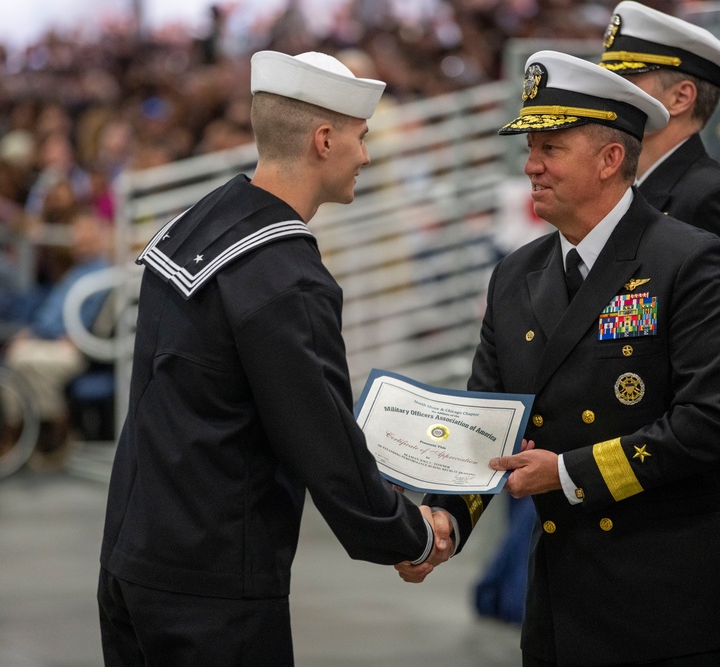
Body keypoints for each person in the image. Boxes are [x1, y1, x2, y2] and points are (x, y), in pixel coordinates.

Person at [401, 50, 720, 666]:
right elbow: (488, 420)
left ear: (610, 158)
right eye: (530, 149)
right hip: (563, 607)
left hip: (672, 609)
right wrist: (444, 523)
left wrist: (569, 475)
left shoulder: (690, 261)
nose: (531, 166)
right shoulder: (516, 274)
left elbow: (713, 421)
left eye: (550, 149)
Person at [97, 50, 453, 666]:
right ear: (323, 140)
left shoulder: (195, 226)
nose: (366, 156)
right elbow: (321, 439)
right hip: (213, 587)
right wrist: (410, 534)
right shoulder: (286, 276)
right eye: (360, 138)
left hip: (133, 556)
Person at [598, 1, 720, 591]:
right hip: (635, 490)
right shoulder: (638, 195)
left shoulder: (711, 199)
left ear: (681, 97)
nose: (609, 95)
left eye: (625, 80)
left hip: (694, 504)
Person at [2, 209, 110, 469]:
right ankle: (20, 433)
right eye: (77, 238)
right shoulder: (74, 273)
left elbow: (89, 322)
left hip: (75, 346)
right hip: (48, 338)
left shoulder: (102, 274)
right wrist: (29, 333)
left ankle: (57, 433)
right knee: (13, 360)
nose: (79, 242)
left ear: (97, 239)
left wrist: (67, 337)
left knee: (24, 361)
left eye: (85, 237)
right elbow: (48, 314)